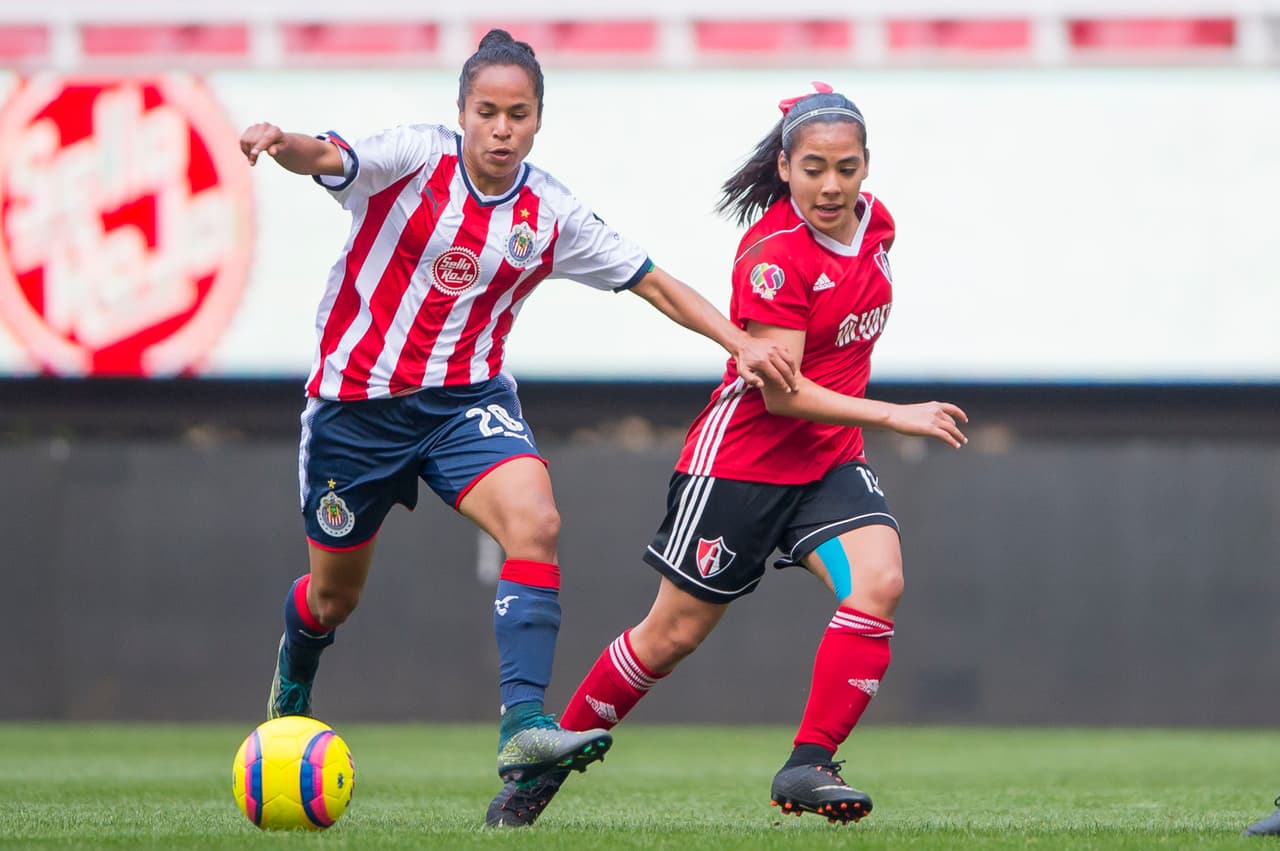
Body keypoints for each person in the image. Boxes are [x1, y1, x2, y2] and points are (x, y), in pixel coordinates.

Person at [238, 28, 797, 797]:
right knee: (333, 596)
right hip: (355, 407)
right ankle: (296, 669)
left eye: (519, 114)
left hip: (465, 403)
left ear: (538, 119)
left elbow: (652, 280)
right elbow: (327, 157)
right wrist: (280, 141)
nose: (502, 129)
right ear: (461, 112)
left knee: (536, 519)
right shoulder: (413, 157)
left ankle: (523, 727)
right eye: (488, 112)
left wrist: (739, 340)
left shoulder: (551, 212)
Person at [486, 81, 968, 827]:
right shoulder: (774, 258)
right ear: (784, 166)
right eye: (813, 168)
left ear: (867, 166)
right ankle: (535, 774)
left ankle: (808, 763)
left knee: (879, 580)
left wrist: (866, 422)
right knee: (669, 635)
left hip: (828, 463)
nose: (831, 185)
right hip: (738, 467)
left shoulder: (879, 228)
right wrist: (893, 413)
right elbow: (783, 394)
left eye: (846, 166)